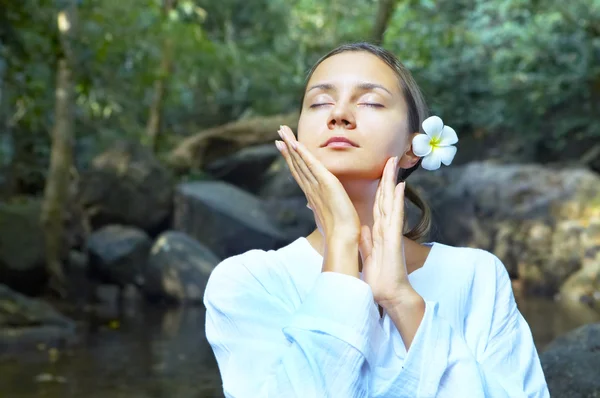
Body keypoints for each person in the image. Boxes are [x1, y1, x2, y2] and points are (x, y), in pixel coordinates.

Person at [203, 42, 550, 398]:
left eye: (370, 101)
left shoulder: (477, 277)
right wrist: (340, 245)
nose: (338, 114)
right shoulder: (246, 281)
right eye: (320, 102)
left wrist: (402, 301)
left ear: (413, 148)